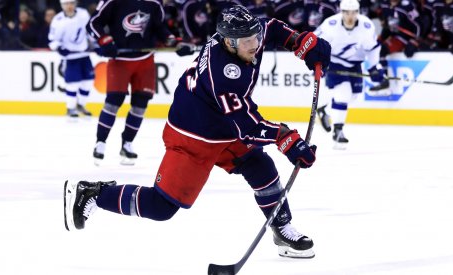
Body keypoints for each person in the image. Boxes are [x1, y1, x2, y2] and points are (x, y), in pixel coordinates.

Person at [65, 5, 331, 259]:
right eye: (246, 40)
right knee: (160, 207)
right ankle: (94, 194)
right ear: (228, 43)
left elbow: (270, 27)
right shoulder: (224, 74)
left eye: (254, 37)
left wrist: (300, 42)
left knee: (260, 165)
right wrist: (286, 138)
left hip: (224, 126)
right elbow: (248, 126)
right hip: (193, 136)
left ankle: (281, 228)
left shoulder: (245, 35)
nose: (254, 44)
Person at [86, 0, 176, 166]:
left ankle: (127, 143)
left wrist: (170, 38)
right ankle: (101, 142)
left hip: (145, 60)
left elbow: (159, 27)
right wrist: (104, 40)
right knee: (114, 102)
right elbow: (93, 23)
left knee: (140, 105)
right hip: (120, 59)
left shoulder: (154, 3)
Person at [314, 0, 385, 149]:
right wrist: (319, 63)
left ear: (358, 12)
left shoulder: (366, 27)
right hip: (334, 62)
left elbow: (373, 49)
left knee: (352, 97)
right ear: (341, 11)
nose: (350, 16)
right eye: (346, 12)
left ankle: (325, 110)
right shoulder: (330, 25)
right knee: (343, 95)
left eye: (353, 12)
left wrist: (373, 67)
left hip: (355, 64)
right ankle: (338, 132)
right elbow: (315, 42)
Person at [48, 0, 94, 119]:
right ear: (62, 5)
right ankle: (70, 108)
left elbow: (90, 31)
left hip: (84, 55)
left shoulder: (83, 14)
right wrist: (59, 48)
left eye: (72, 3)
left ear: (75, 4)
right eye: (66, 4)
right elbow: (52, 40)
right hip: (70, 58)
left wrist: (96, 44)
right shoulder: (57, 20)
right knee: (72, 83)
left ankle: (81, 105)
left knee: (88, 81)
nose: (69, 6)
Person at [370, 0, 422, 91]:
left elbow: (419, 25)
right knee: (374, 47)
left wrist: (414, 41)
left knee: (382, 50)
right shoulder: (385, 5)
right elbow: (387, 26)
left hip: (405, 38)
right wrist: (381, 38)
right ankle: (377, 73)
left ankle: (385, 79)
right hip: (393, 36)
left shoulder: (407, 6)